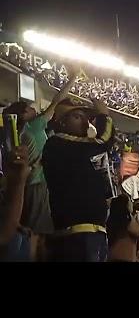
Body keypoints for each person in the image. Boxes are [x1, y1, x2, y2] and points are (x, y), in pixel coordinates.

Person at [3, 68, 80, 233]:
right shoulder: (34, 126)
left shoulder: (18, 132)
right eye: (30, 108)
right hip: (36, 185)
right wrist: (72, 80)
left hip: (25, 185)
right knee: (38, 230)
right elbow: (57, 101)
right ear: (23, 115)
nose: (34, 109)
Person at [42, 97, 114, 262]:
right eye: (77, 117)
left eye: (86, 118)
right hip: (76, 233)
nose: (84, 122)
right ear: (61, 123)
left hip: (92, 231)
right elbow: (102, 141)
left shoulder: (76, 146)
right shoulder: (56, 143)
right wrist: (104, 115)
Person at [106, 194, 139, 262]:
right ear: (126, 205)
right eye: (130, 201)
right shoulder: (127, 220)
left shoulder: (112, 220)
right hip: (125, 259)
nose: (132, 203)